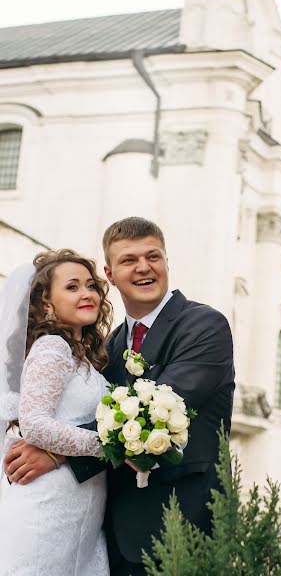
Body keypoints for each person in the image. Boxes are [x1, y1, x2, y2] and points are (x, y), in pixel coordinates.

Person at [5, 217, 235, 576]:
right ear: (111, 275)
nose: (144, 267)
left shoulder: (204, 326)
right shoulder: (108, 346)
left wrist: (57, 451)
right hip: (106, 528)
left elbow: (156, 410)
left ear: (166, 263)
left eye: (153, 256)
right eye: (129, 260)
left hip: (181, 522)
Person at [0, 249, 113, 576]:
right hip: (47, 507)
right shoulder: (52, 347)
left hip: (80, 509)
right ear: (46, 304)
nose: (87, 293)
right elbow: (35, 426)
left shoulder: (83, 357)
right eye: (72, 287)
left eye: (91, 285)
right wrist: (110, 445)